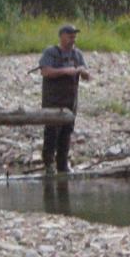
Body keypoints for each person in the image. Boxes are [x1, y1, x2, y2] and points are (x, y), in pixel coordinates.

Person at [39, 24, 91, 173]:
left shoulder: (77, 54)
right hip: (53, 102)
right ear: (61, 36)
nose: (72, 39)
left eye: (74, 36)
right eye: (70, 36)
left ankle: (63, 165)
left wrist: (83, 72)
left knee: (66, 133)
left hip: (70, 102)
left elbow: (87, 75)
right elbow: (45, 71)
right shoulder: (51, 52)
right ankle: (48, 164)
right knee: (51, 133)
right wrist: (66, 71)